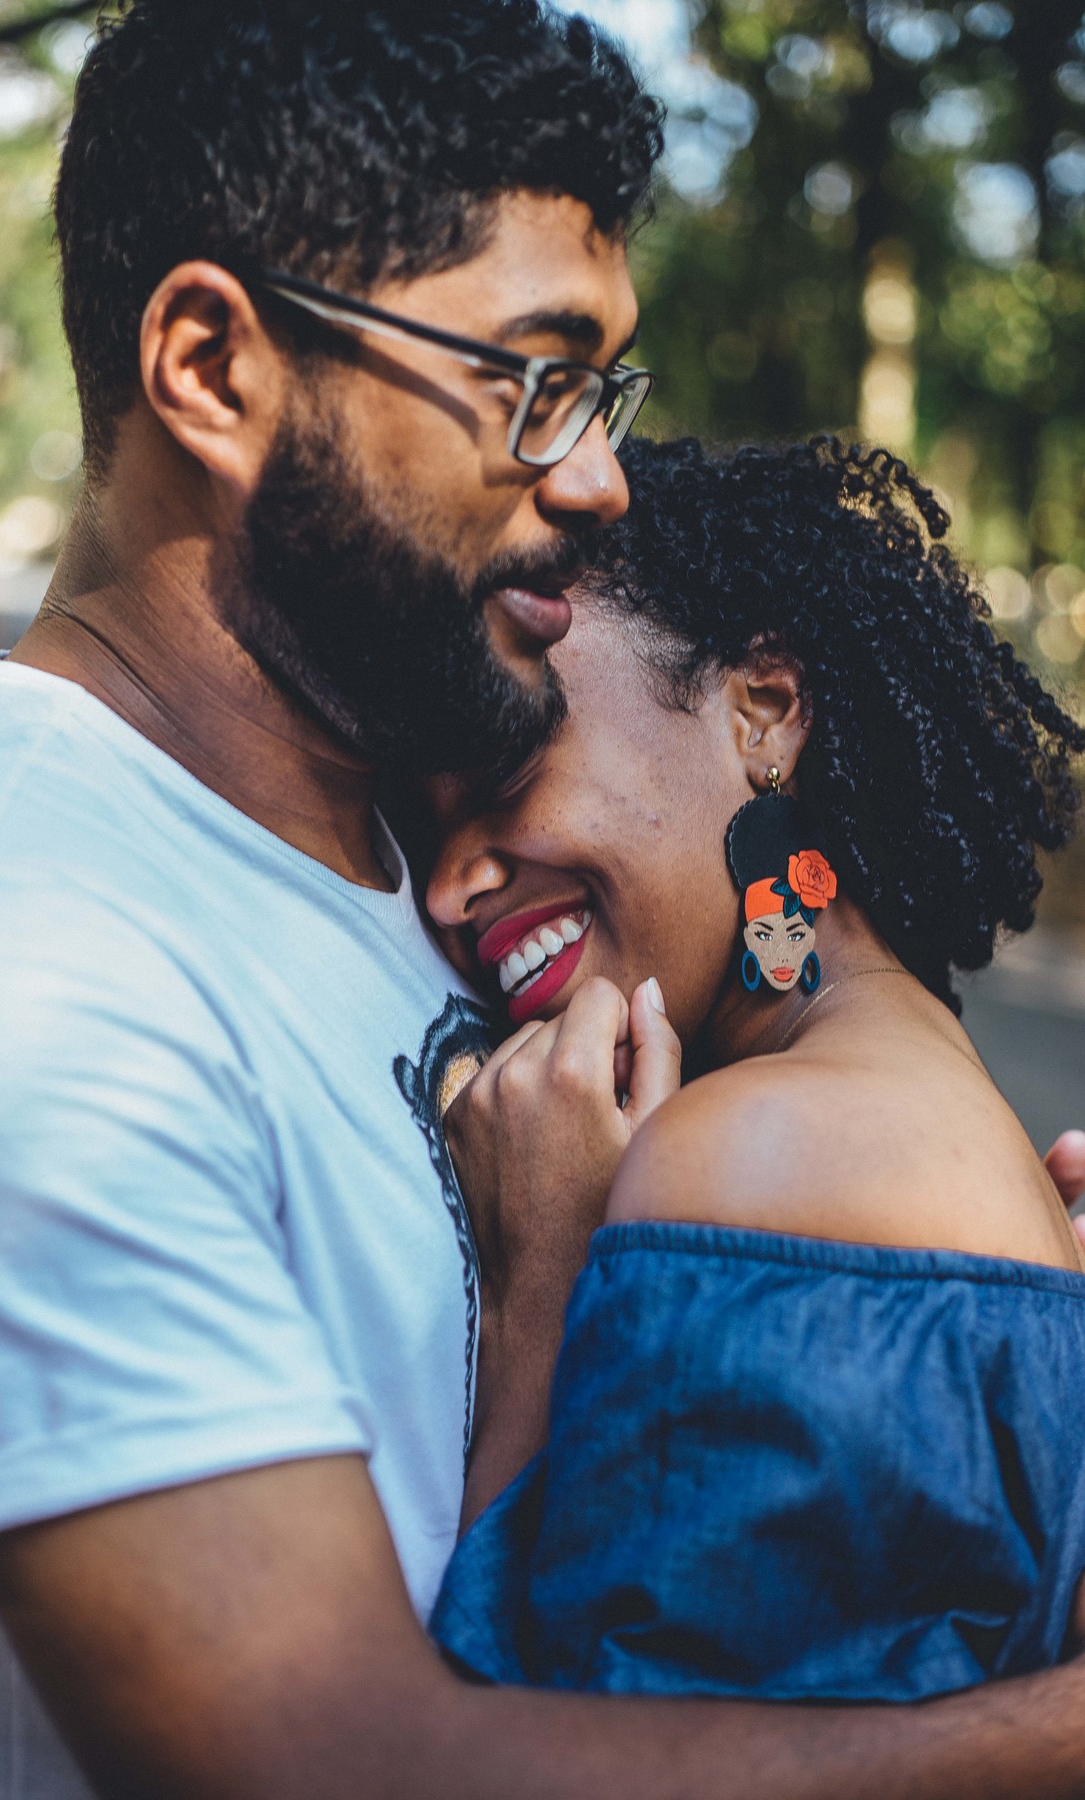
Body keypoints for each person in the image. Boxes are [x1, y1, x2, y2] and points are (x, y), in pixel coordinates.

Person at [0, 4, 1084, 1796]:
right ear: (214, 366)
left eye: (606, 391)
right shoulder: (7, 961)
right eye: (532, 379)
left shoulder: (414, 839)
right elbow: (334, 1763)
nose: (591, 476)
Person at [424, 434, 1085, 1696]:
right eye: (428, 827)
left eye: (510, 769)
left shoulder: (746, 1160)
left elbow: (533, 1764)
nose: (454, 887)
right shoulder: (964, 1133)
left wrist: (538, 1306)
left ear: (763, 714)